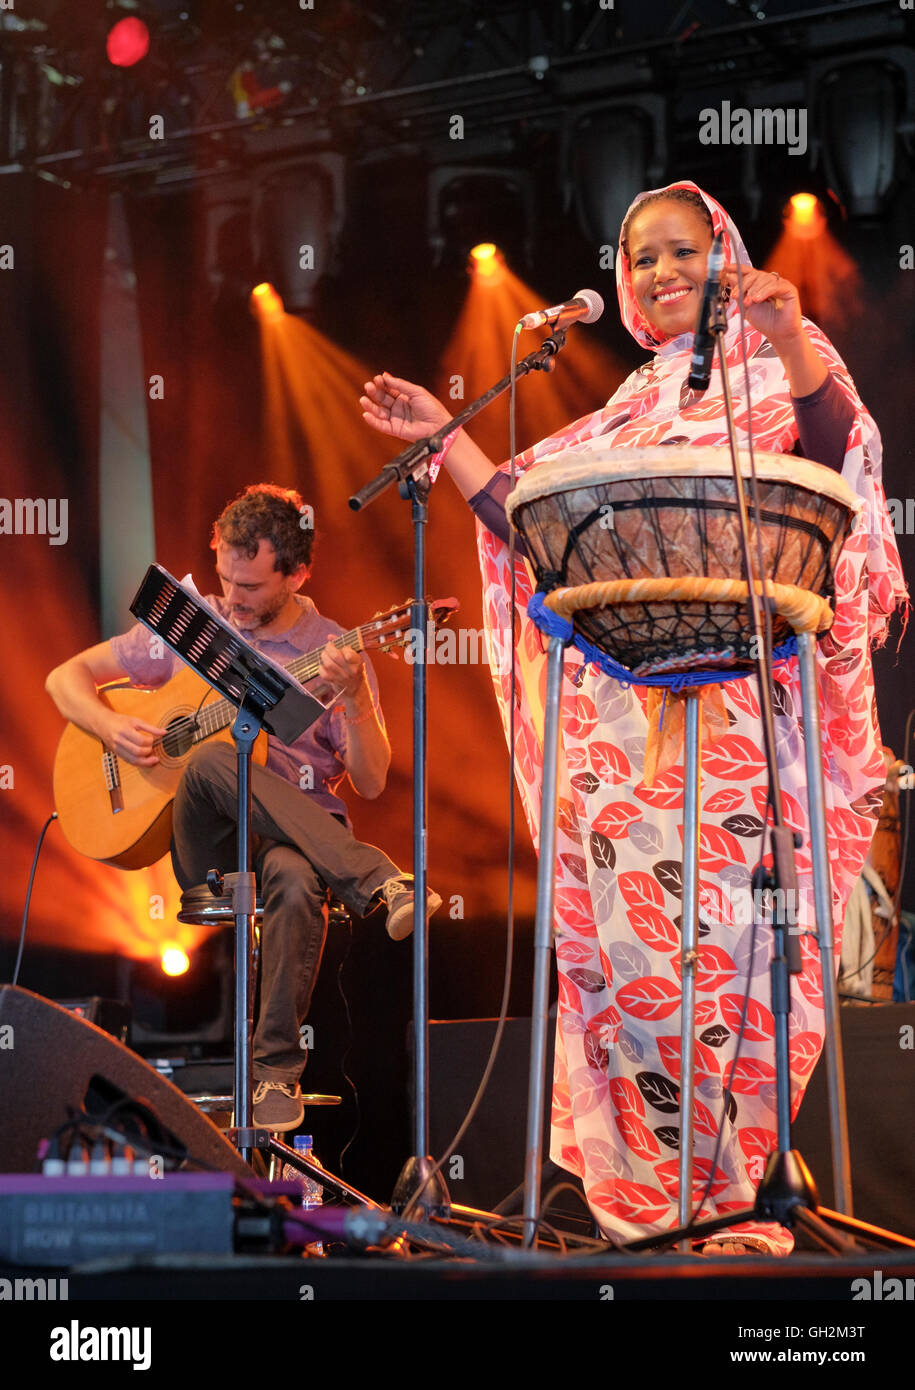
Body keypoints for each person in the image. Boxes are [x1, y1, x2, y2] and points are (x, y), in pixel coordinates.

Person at [358, 181, 907, 1253]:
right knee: (632, 971)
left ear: (727, 256)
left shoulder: (784, 369)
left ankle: (745, 1201)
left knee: (738, 952)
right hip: (624, 749)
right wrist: (441, 440)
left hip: (744, 724)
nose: (659, 272)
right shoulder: (626, 412)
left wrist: (790, 334)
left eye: (681, 251)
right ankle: (656, 1209)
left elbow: (842, 455)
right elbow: (530, 522)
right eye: (639, 255)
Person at [46, 483, 441, 1132]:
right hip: (207, 846)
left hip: (297, 841)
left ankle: (275, 1075)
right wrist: (110, 728)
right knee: (209, 759)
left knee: (292, 877)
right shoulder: (198, 628)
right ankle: (380, 880)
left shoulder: (334, 648)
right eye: (227, 580)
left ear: (298, 573)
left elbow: (370, 781)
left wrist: (356, 698)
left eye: (251, 587)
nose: (232, 599)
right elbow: (64, 680)